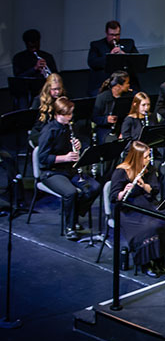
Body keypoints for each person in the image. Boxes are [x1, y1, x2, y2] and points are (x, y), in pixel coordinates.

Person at [110, 141, 165, 277]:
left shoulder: (149, 169)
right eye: (146, 157)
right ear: (136, 157)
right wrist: (124, 191)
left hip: (146, 203)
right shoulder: (121, 171)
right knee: (149, 228)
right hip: (127, 209)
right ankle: (145, 263)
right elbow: (114, 196)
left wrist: (144, 185)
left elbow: (154, 190)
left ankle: (159, 260)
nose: (149, 159)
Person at [36, 97, 101, 239]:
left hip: (69, 170)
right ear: (57, 114)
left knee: (94, 187)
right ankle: (69, 226)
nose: (69, 117)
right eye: (66, 115)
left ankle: (75, 215)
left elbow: (80, 147)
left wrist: (78, 146)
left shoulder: (70, 127)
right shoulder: (49, 131)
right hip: (51, 172)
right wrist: (64, 158)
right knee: (71, 192)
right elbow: (42, 158)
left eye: (70, 114)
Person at [87, 20, 139, 95]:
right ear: (106, 33)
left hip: (126, 83)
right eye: (111, 35)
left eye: (117, 35)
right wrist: (110, 56)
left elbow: (137, 61)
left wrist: (124, 55)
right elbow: (92, 63)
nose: (114, 38)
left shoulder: (129, 44)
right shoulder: (97, 45)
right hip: (105, 82)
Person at [92, 70, 132, 144]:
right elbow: (95, 118)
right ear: (118, 86)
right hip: (105, 130)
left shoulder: (128, 96)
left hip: (122, 127)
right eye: (127, 83)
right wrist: (106, 119)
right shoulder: (102, 97)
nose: (129, 85)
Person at [29, 74, 66, 145]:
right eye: (54, 89)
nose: (57, 92)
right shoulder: (38, 101)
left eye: (59, 89)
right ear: (48, 88)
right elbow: (35, 124)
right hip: (40, 133)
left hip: (58, 133)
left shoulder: (64, 98)